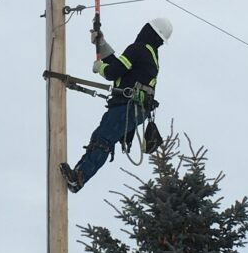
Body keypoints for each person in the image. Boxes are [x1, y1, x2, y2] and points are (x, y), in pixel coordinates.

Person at [60, 17, 173, 193]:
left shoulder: (138, 49)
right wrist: (102, 44)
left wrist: (100, 67)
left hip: (127, 106)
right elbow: (121, 67)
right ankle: (78, 175)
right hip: (136, 108)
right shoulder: (150, 54)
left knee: (102, 139)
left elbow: (113, 71)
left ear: (148, 31)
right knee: (102, 138)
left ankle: (79, 177)